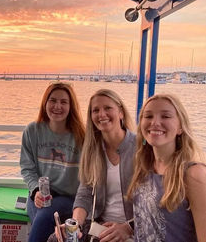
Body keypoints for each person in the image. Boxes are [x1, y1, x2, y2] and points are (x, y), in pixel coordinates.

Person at [48, 88, 136, 242]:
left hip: (131, 228)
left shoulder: (140, 148)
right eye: (96, 110)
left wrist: (128, 227)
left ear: (121, 112)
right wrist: (75, 225)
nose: (101, 114)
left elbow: (154, 202)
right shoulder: (93, 150)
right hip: (99, 225)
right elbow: (85, 193)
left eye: (108, 108)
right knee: (56, 239)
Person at [127, 93, 206, 242]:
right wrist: (127, 226)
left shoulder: (194, 174)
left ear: (180, 128)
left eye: (166, 116)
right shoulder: (144, 167)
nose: (155, 123)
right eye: (148, 116)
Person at [20, 82, 85, 242]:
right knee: (41, 219)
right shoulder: (32, 131)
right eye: (53, 100)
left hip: (68, 197)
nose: (57, 106)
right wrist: (36, 191)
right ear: (45, 103)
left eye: (64, 102)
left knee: (42, 219)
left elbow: (89, 175)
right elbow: (27, 168)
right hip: (39, 196)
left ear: (71, 106)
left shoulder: (82, 135)